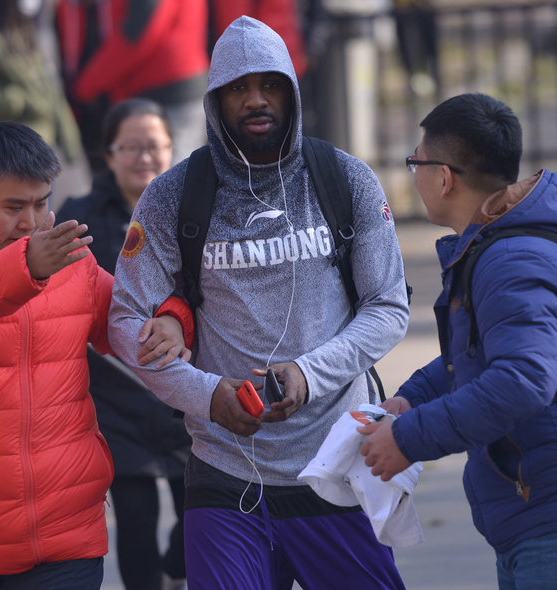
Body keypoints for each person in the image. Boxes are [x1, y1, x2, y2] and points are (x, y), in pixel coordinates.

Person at [108, 16, 410, 588]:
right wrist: (205, 394)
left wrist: (308, 372)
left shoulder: (346, 179)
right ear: (215, 100)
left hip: (335, 465)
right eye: (238, 89)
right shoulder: (172, 195)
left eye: (269, 85)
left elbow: (389, 306)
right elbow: (125, 319)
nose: (255, 101)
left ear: (292, 91)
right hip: (224, 475)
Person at [0, 121, 194, 589]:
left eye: (42, 202)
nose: (31, 222)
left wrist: (171, 316)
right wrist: (22, 269)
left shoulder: (67, 261)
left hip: (66, 538)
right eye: (13, 206)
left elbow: (128, 316)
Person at [358, 93, 557, 589]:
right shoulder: (500, 246)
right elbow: (475, 354)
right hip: (549, 512)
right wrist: (411, 399)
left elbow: (523, 381)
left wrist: (409, 439)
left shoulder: (512, 260)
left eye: (416, 162)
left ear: (444, 176)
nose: (414, 174)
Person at [57, 98, 188, 590]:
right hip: (114, 396)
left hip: (183, 386)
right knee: (133, 518)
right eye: (130, 147)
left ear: (172, 150)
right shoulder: (79, 217)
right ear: (108, 155)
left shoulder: (193, 210)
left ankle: (177, 570)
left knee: (198, 510)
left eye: (154, 147)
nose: (144, 158)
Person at [56, 0, 209, 168]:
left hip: (167, 95)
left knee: (170, 183)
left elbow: (138, 34)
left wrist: (84, 88)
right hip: (162, 91)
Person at [0, 0, 85, 167]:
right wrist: (24, 102)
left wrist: (70, 142)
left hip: (43, 147)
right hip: (8, 150)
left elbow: (51, 91)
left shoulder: (27, 33)